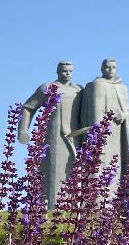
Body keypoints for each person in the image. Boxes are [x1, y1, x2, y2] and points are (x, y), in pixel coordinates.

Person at [17, 61, 82, 207]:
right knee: (53, 171)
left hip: (76, 136)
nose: (68, 73)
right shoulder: (47, 88)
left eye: (70, 71)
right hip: (54, 136)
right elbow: (28, 107)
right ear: (58, 71)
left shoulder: (79, 89)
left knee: (75, 171)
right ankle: (51, 206)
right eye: (65, 71)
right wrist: (22, 130)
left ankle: (75, 208)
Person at [73, 58, 129, 197]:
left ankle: (116, 202)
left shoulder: (122, 88)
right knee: (98, 164)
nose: (110, 70)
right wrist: (96, 132)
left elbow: (128, 111)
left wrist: (124, 115)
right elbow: (93, 112)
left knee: (115, 165)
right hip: (100, 133)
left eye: (113, 67)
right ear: (102, 69)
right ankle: (96, 200)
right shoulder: (96, 85)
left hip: (117, 134)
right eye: (107, 67)